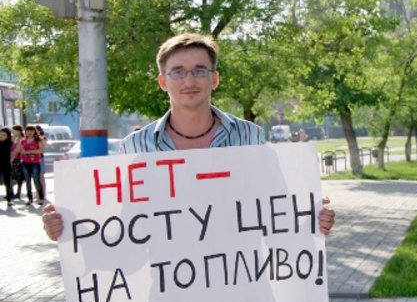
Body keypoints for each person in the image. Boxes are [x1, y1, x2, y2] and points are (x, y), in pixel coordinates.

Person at [43, 33, 335, 240]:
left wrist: (310, 219)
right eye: (178, 72)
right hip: (169, 292)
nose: (190, 81)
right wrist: (68, 227)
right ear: (162, 82)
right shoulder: (135, 146)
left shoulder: (249, 137)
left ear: (215, 78)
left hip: (245, 287)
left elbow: (278, 207)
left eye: (199, 70)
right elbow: (118, 225)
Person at [14, 125, 45, 204]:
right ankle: (29, 198)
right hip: (25, 162)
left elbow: (41, 150)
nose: (30, 132)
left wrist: (29, 152)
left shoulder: (38, 140)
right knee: (28, 181)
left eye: (32, 130)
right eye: (28, 131)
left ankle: (40, 197)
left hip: (35, 162)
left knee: (36, 180)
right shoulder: (23, 141)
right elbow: (18, 150)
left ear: (35, 131)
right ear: (25, 132)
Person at [10, 125, 25, 200]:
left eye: (14, 131)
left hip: (18, 159)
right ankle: (12, 192)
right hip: (14, 158)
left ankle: (18, 193)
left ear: (18, 131)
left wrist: (11, 159)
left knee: (19, 177)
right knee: (13, 177)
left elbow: (16, 151)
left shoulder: (22, 139)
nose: (13, 132)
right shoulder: (15, 139)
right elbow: (10, 146)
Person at [0, 127, 14, 204]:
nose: (1, 136)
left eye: (3, 135)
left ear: (8, 136)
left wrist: (10, 131)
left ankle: (9, 199)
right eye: (0, 134)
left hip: (6, 164)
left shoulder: (10, 143)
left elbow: (14, 135)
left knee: (7, 182)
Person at [35, 125, 47, 200]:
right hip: (32, 159)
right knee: (36, 177)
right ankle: (38, 193)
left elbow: (43, 148)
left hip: (40, 158)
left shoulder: (42, 138)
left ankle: (43, 193)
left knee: (41, 176)